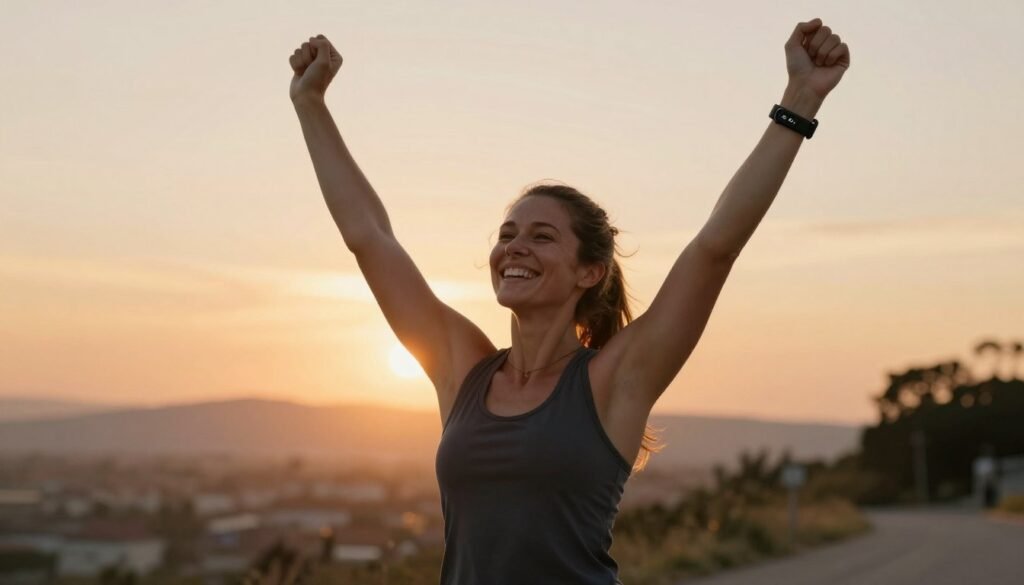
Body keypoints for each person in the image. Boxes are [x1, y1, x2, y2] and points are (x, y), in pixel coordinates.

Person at [289, 18, 850, 584]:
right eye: (507, 234)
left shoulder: (615, 379)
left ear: (590, 271)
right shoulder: (463, 372)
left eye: (542, 236)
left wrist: (799, 99)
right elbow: (371, 239)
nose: (514, 247)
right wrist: (310, 104)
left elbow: (714, 248)